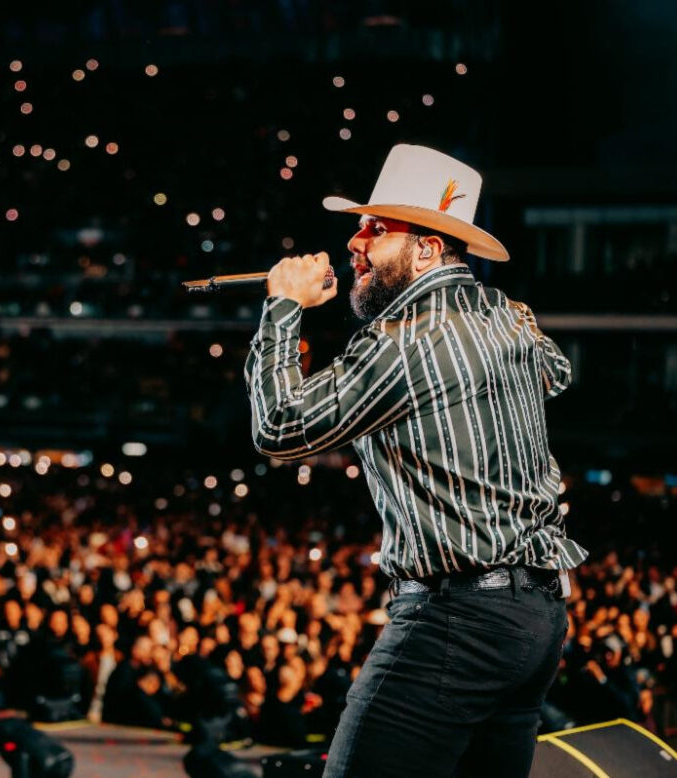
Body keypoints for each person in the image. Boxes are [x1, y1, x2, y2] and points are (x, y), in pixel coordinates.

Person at [245, 144, 588, 776]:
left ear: (427, 249)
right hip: (535, 615)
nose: (356, 241)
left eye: (377, 229)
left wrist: (282, 307)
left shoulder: (407, 341)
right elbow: (555, 373)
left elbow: (278, 426)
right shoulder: (507, 314)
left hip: (456, 617)